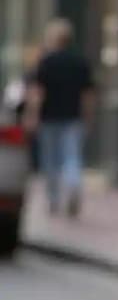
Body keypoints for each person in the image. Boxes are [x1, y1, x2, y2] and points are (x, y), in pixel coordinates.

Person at [26, 19, 95, 217]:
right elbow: (88, 95)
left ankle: (53, 199)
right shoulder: (80, 62)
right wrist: (88, 117)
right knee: (72, 157)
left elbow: (38, 93)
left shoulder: (45, 62)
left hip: (49, 118)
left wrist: (33, 116)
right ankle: (73, 185)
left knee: (51, 160)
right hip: (73, 117)